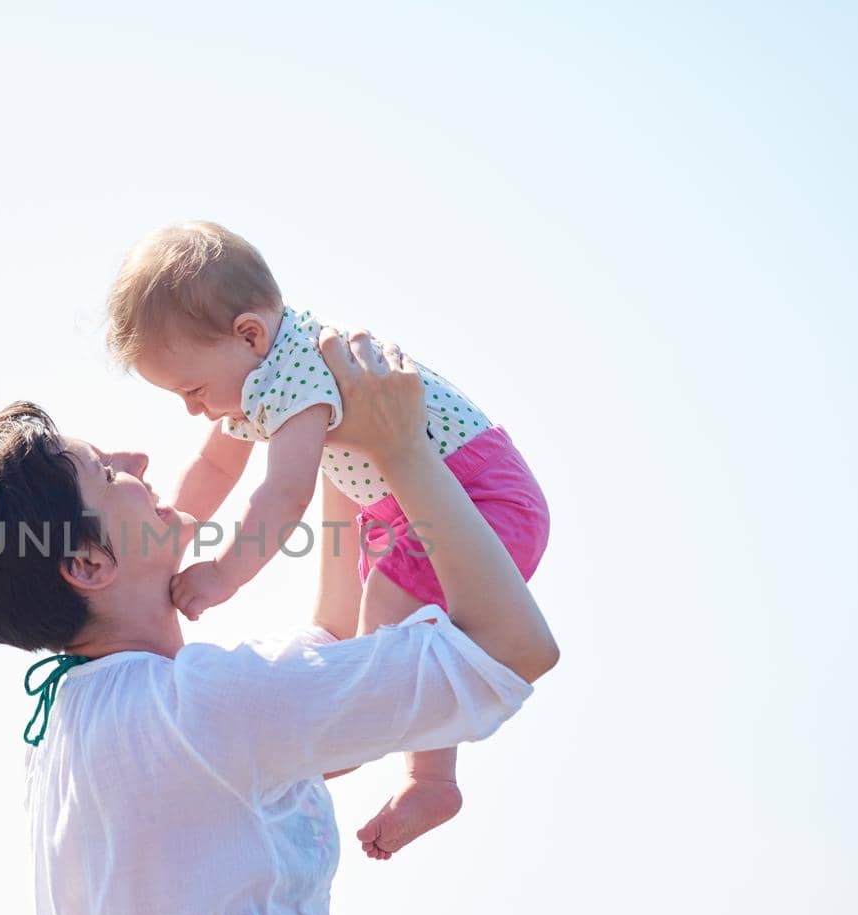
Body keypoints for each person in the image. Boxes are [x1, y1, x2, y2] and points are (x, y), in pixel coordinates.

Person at [0, 330, 558, 915]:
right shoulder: (197, 711)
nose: (139, 462)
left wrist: (334, 436)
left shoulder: (98, 723)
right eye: (106, 474)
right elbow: (514, 650)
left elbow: (329, 647)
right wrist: (405, 453)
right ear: (88, 562)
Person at [105, 220, 551, 858]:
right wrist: (176, 522)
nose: (194, 410)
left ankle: (378, 747)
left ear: (249, 334)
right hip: (410, 500)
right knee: (402, 619)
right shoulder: (259, 371)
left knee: (391, 617)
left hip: (479, 492)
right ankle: (430, 776)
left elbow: (283, 494)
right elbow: (216, 467)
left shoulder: (296, 375)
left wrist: (223, 574)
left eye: (194, 390)